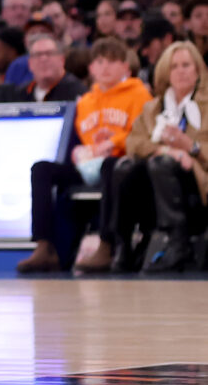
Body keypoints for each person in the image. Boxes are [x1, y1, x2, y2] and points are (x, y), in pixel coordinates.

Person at [17, 38, 151, 273]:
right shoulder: (86, 101)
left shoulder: (139, 94)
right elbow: (78, 141)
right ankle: (44, 245)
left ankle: (107, 245)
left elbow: (143, 135)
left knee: (111, 164)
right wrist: (80, 151)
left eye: (112, 61)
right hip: (89, 165)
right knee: (42, 169)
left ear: (125, 67)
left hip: (123, 165)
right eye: (99, 61)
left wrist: (114, 141)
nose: (105, 67)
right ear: (91, 69)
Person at [107, 42, 208, 273]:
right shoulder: (153, 108)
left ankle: (177, 242)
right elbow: (133, 143)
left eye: (186, 65)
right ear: (165, 72)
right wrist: (165, 149)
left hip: (196, 181)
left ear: (198, 70)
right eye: (174, 66)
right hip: (155, 182)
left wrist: (191, 148)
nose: (181, 71)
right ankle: (123, 245)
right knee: (125, 167)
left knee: (162, 164)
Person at [18, 34, 87, 103]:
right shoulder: (21, 94)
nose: (43, 58)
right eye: (38, 54)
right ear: (30, 64)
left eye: (49, 53)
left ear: (62, 60)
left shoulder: (77, 92)